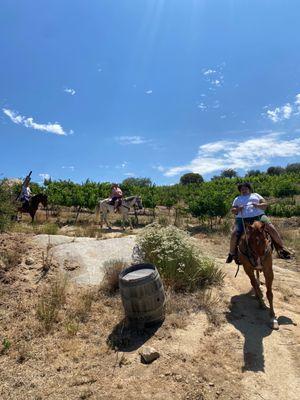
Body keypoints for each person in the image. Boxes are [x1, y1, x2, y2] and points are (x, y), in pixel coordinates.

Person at [226, 182, 291, 263]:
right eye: (242, 189)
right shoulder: (237, 199)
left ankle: (282, 249)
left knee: (271, 228)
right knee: (235, 233)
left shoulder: (256, 195)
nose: (244, 190)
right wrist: (238, 209)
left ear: (249, 189)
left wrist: (258, 205)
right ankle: (231, 253)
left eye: (246, 188)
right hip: (242, 218)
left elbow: (265, 205)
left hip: (259, 216)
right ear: (240, 191)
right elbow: (233, 211)